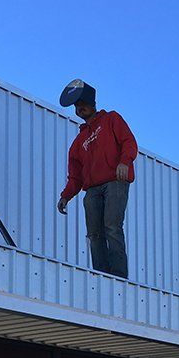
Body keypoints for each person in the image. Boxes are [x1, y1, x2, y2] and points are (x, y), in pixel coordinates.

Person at [57, 79, 138, 279]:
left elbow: (129, 142)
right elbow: (75, 175)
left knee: (112, 226)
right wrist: (66, 196)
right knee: (94, 234)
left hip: (115, 181)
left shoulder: (111, 119)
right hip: (92, 189)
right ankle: (101, 276)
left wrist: (124, 162)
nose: (79, 109)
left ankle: (119, 276)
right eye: (76, 106)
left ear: (92, 103)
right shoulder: (78, 142)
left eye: (82, 104)